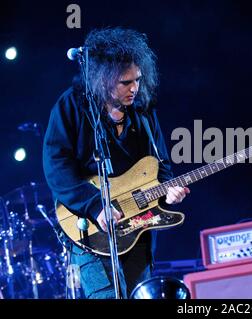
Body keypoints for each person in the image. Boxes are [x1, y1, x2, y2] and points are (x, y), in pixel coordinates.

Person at [43, 27, 190, 299]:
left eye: (137, 79)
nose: (134, 88)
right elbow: (57, 165)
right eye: (125, 82)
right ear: (103, 79)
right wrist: (95, 204)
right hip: (89, 229)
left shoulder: (143, 111)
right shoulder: (71, 106)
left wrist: (169, 193)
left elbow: (162, 165)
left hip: (138, 228)